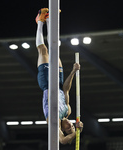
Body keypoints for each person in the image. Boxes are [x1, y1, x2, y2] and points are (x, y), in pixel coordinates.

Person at [35, 8, 83, 145]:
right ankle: (49, 19)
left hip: (47, 84)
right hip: (58, 83)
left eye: (69, 129)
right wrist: (73, 71)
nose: (71, 125)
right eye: (73, 126)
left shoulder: (53, 121)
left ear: (63, 129)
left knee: (43, 50)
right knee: (54, 50)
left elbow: (62, 141)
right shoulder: (67, 111)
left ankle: (39, 22)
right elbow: (66, 89)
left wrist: (75, 133)